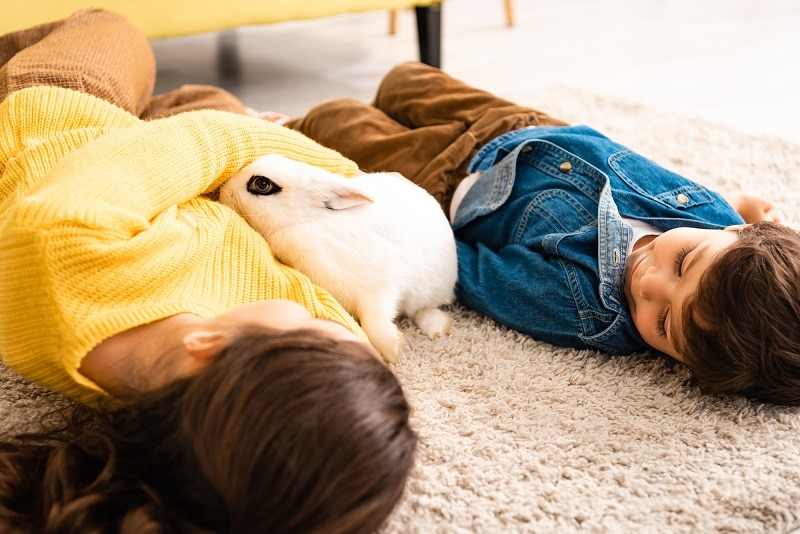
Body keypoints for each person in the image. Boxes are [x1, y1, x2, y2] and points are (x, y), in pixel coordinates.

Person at [0, 9, 416, 532]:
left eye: (326, 331)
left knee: (112, 31)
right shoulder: (197, 392)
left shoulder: (69, 242)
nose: (340, 323)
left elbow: (209, 137)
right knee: (217, 105)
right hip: (188, 182)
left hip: (71, 122)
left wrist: (345, 175)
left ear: (207, 347)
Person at [284, 61, 800, 406]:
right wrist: (743, 206)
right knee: (405, 79)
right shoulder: (713, 216)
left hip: (448, 178)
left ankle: (284, 124)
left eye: (664, 322)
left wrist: (407, 230)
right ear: (739, 231)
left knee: (337, 118)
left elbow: (471, 272)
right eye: (684, 263)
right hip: (523, 127)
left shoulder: (580, 308)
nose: (650, 284)